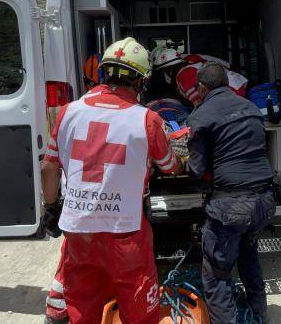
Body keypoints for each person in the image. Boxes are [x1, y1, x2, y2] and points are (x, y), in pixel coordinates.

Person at [41, 37, 183, 324]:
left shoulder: (68, 112)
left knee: (83, 309)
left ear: (104, 72)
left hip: (79, 231)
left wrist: (52, 207)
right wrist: (177, 160)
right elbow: (170, 167)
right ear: (141, 81)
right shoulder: (148, 120)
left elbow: (48, 168)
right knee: (140, 312)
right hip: (126, 233)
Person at [186, 63, 276, 323]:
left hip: (232, 207)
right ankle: (259, 314)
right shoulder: (250, 107)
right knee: (249, 256)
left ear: (202, 87)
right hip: (264, 202)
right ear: (226, 83)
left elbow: (196, 170)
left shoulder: (201, 115)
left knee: (217, 275)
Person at [150, 47, 248, 107]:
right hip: (237, 85)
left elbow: (201, 105)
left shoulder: (184, 75)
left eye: (163, 71)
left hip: (232, 96)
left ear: (169, 70)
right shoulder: (189, 61)